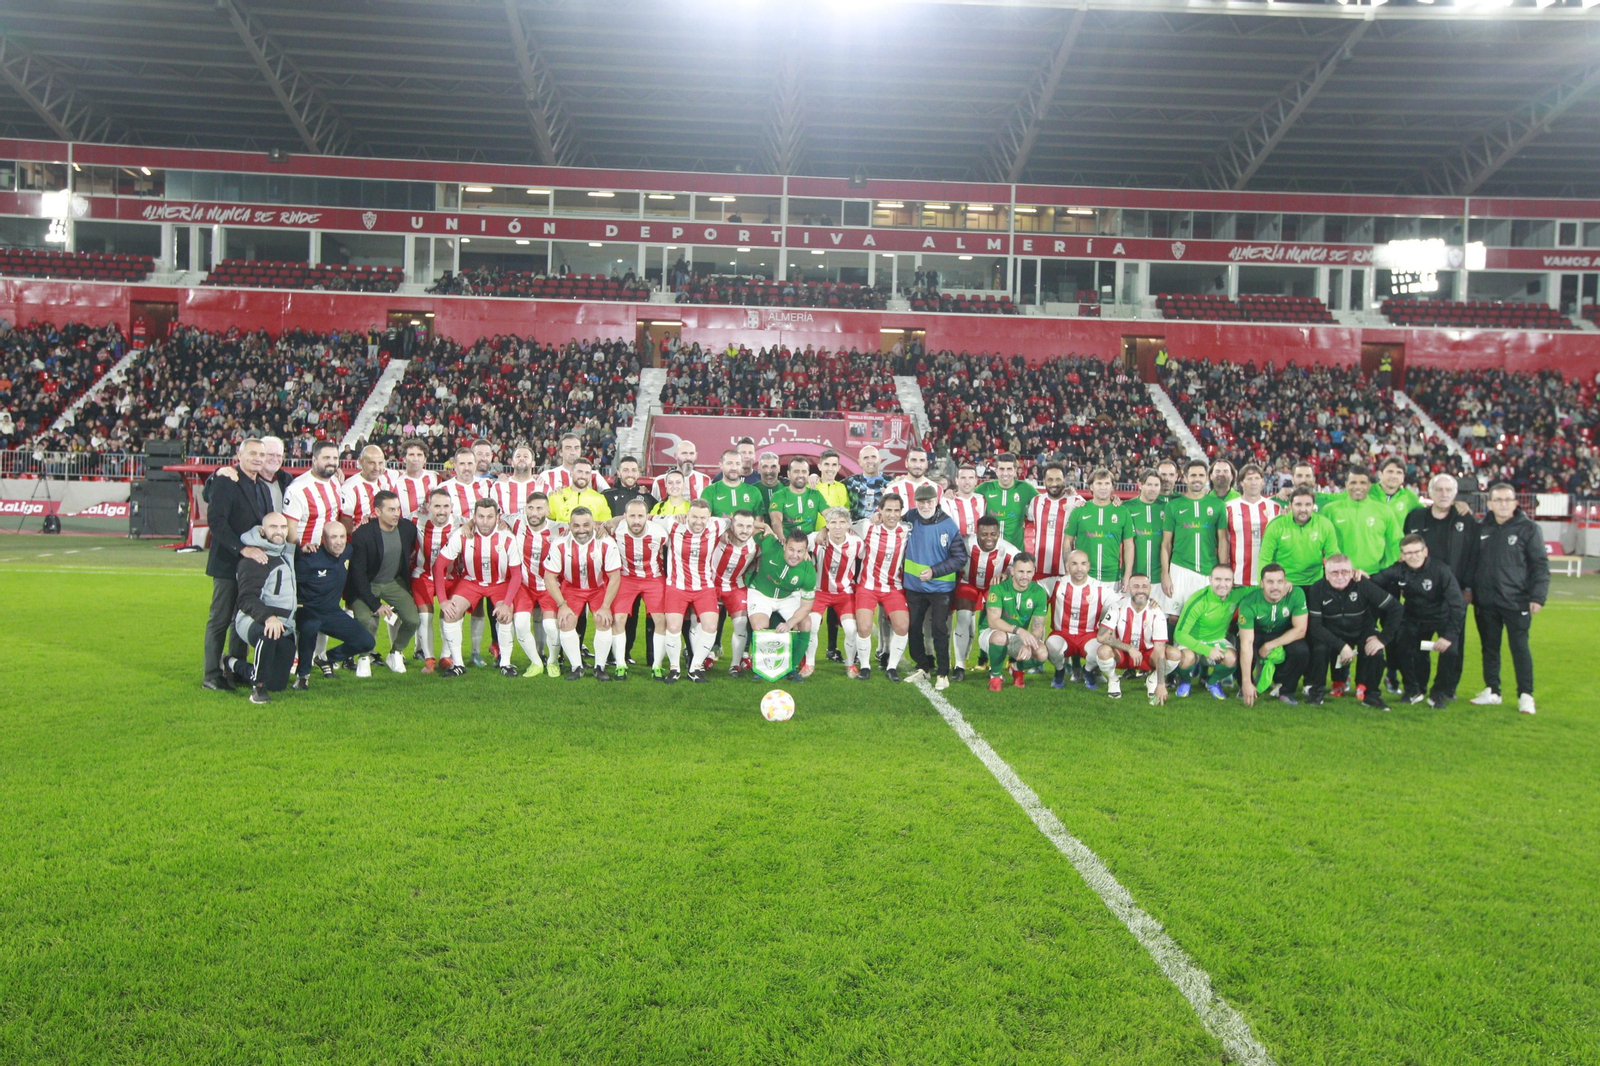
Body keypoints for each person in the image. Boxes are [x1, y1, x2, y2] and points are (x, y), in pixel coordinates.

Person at [1467, 483, 1548, 714]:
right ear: (1490, 504)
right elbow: (1471, 562)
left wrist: (1538, 596)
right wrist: (1471, 590)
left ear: (1515, 503)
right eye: (1498, 500)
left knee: (1520, 648)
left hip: (1516, 601)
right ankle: (1492, 691)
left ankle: (1526, 695)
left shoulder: (1528, 529)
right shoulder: (1481, 528)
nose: (1503, 504)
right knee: (1489, 648)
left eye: (1507, 500)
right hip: (1486, 602)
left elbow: (1540, 565)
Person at [204, 438, 274, 691]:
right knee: (220, 619)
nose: (258, 458)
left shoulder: (263, 487)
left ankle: (236, 669)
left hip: (252, 566)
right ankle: (211, 675)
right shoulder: (226, 481)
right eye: (252, 453)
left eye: (261, 455)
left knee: (242, 618)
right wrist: (242, 549)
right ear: (240, 455)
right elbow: (216, 522)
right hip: (227, 562)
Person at [1372, 534, 1466, 708]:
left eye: (1417, 552)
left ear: (1425, 551)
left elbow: (1458, 604)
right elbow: (1374, 581)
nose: (1413, 556)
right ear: (1402, 555)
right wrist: (1357, 576)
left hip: (1442, 617)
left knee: (1451, 652)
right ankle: (1413, 690)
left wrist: (1449, 636)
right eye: (1408, 553)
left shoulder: (1441, 570)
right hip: (1414, 617)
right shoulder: (1398, 569)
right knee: (1404, 647)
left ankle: (1437, 693)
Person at [433, 498, 524, 678]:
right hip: (471, 582)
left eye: (489, 517)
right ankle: (458, 664)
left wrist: (506, 604)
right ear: (474, 517)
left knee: (505, 615)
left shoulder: (507, 538)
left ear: (497, 517)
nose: (485, 521)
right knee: (450, 613)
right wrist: (443, 601)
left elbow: (516, 575)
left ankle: (506, 663)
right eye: (480, 516)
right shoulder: (462, 534)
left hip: (500, 583)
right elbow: (438, 566)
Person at [1305, 553, 1402, 709]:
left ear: (1352, 573)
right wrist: (1341, 646)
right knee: (1320, 648)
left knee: (1376, 652)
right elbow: (1316, 627)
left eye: (1345, 572)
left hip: (1362, 630)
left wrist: (1383, 639)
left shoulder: (1363, 585)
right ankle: (1316, 693)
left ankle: (1372, 696)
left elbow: (1396, 608)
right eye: (1334, 572)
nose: (1340, 577)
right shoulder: (1317, 589)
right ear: (1326, 574)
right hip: (1332, 632)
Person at [225, 511, 297, 704]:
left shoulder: (286, 552)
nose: (279, 531)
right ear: (262, 531)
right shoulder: (256, 558)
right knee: (269, 633)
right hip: (252, 619)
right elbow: (246, 598)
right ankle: (258, 689)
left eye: (283, 527)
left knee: (277, 684)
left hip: (282, 623)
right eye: (273, 527)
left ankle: (230, 663)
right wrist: (268, 618)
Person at [543, 506, 623, 680]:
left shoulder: (606, 542)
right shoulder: (559, 543)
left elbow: (614, 576)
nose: (581, 530)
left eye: (586, 525)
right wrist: (562, 605)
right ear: (569, 525)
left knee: (603, 620)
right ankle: (576, 667)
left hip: (598, 588)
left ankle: (599, 667)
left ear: (593, 524)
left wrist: (606, 606)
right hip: (572, 588)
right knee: (566, 621)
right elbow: (549, 577)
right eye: (576, 525)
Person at [292, 519, 374, 687]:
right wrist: (300, 550)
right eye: (333, 537)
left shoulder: (347, 551)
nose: (339, 542)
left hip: (332, 612)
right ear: (323, 539)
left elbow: (363, 540)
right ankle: (303, 676)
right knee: (311, 625)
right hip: (307, 610)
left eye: (342, 537)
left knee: (367, 642)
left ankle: (325, 658)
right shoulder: (309, 559)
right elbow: (290, 582)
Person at [901, 483, 967, 689]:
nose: (925, 506)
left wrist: (934, 571)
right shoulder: (909, 517)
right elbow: (890, 522)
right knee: (913, 628)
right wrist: (877, 516)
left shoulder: (949, 525)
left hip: (941, 588)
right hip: (914, 587)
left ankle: (943, 673)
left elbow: (960, 558)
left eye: (929, 501)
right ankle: (922, 667)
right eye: (921, 502)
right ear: (915, 502)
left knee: (939, 628)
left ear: (936, 501)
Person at [346, 490, 421, 674]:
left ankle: (395, 653)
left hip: (392, 582)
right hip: (367, 584)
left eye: (398, 509)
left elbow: (426, 526)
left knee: (413, 620)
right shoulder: (363, 534)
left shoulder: (407, 528)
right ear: (378, 512)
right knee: (363, 619)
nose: (396, 514)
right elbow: (358, 575)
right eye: (391, 510)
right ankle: (364, 657)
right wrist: (376, 605)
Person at [660, 499, 725, 683]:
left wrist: (765, 527)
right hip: (677, 585)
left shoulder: (717, 525)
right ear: (687, 515)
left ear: (709, 517)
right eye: (694, 517)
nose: (698, 521)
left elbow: (738, 522)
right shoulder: (673, 523)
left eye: (703, 518)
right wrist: (610, 523)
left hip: (704, 587)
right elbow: (645, 518)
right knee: (673, 627)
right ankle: (674, 669)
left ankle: (695, 668)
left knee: (711, 626)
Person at [605, 497, 669, 680]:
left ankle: (657, 665)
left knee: (660, 619)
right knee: (619, 618)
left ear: (647, 517)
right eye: (632, 516)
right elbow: (595, 527)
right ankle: (620, 664)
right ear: (624, 516)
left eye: (640, 516)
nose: (636, 521)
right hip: (626, 578)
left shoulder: (660, 533)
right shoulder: (616, 530)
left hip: (653, 578)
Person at [951, 515, 1019, 682]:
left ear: (998, 533)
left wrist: (1007, 572)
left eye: (993, 534)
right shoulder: (965, 543)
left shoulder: (1009, 549)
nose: (989, 538)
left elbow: (1020, 564)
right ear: (977, 533)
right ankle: (959, 666)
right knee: (963, 618)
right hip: (968, 583)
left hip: (992, 587)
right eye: (984, 534)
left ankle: (994, 667)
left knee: (995, 624)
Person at [1089, 572, 1174, 702]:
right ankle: (1113, 680)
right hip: (1122, 654)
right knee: (1103, 651)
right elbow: (1101, 636)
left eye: (1144, 586)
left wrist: (1161, 684)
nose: (1140, 590)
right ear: (1128, 588)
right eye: (1136, 586)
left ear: (1150, 588)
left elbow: (1160, 650)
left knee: (1174, 654)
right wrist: (1129, 648)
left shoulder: (1157, 612)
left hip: (1147, 656)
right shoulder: (1117, 607)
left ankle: (1153, 680)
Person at [746, 529, 820, 676]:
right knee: (760, 626)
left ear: (806, 551)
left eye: (800, 551)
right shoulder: (770, 544)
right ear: (784, 545)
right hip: (760, 593)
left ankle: (791, 668)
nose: (795, 555)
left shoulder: (808, 571)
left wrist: (789, 624)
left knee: (806, 623)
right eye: (791, 549)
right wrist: (763, 525)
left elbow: (806, 606)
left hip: (787, 597)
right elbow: (749, 528)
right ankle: (762, 668)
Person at [853, 492, 911, 680]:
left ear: (901, 512)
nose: (892, 515)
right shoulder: (867, 526)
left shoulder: (907, 530)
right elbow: (843, 526)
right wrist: (823, 531)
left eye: (896, 511)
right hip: (867, 586)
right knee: (864, 627)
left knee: (902, 626)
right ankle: (865, 666)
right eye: (888, 510)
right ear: (880, 510)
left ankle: (891, 667)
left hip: (893, 587)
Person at [1236, 564, 1309, 707]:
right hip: (1256, 633)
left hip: (1280, 633)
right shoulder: (1249, 602)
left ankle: (1286, 690)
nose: (1275, 587)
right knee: (1242, 647)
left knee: (1301, 651)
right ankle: (1244, 686)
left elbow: (1300, 630)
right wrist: (1246, 681)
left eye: (1280, 582)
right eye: (1270, 582)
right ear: (1262, 584)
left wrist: (1270, 645)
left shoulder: (1296, 594)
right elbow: (1247, 643)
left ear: (1285, 582)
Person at [1161, 459, 1225, 622]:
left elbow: (1223, 540)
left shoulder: (1217, 505)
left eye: (1201, 475)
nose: (1197, 479)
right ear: (1185, 478)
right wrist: (1165, 574)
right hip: (1180, 567)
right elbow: (1166, 543)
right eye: (1193, 475)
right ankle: (1176, 640)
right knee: (1174, 617)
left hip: (1208, 568)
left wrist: (1223, 572)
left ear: (1207, 478)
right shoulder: (1173, 506)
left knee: (1205, 616)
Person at [1171, 564, 1246, 700]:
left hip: (1216, 641)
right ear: (1210, 579)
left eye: (1227, 580)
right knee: (1186, 658)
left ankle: (1212, 682)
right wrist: (1207, 650)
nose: (1222, 584)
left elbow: (1261, 589)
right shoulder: (1198, 600)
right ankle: (1185, 680)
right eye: (1218, 579)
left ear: (1233, 582)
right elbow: (1180, 634)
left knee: (1232, 659)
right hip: (1192, 642)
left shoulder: (1237, 594)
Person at [982, 553, 1051, 692]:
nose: (1025, 576)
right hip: (991, 634)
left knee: (1042, 653)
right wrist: (1019, 631)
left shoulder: (1039, 592)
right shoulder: (999, 587)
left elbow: (1038, 628)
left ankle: (1016, 669)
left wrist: (1029, 645)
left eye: (1029, 572)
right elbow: (993, 622)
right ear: (1012, 571)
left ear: (1034, 571)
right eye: (1020, 571)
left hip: (1018, 636)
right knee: (1000, 636)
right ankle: (995, 676)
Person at [807, 507, 864, 676]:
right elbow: (795, 546)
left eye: (842, 522)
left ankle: (850, 664)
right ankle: (809, 664)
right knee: (812, 627)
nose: (837, 526)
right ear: (827, 525)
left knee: (850, 629)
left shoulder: (857, 543)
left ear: (848, 524)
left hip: (844, 593)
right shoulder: (814, 539)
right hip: (819, 591)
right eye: (833, 522)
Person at [508, 492, 559, 677]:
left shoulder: (559, 529)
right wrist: (469, 524)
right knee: (521, 624)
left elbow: (588, 525)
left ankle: (553, 661)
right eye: (530, 508)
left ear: (548, 510)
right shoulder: (516, 522)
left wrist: (603, 527)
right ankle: (536, 662)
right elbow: (491, 516)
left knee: (551, 626)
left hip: (549, 587)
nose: (534, 513)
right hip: (524, 586)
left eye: (539, 508)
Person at [1047, 550, 1112, 690]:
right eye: (1074, 564)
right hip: (1062, 633)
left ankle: (1087, 671)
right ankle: (1059, 671)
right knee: (1051, 645)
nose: (1079, 568)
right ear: (1067, 566)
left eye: (1083, 564)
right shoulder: (1055, 583)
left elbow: (1122, 602)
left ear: (1088, 566)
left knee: (1101, 650)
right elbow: (1030, 585)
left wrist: (1150, 603)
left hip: (1088, 635)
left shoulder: (1099, 587)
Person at [410, 488, 457, 674]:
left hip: (450, 577)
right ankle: (429, 659)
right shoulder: (415, 520)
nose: (442, 511)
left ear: (452, 507)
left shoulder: (461, 523)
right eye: (437, 506)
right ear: (428, 506)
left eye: (446, 506)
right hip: (423, 575)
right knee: (425, 617)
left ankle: (446, 656)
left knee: (450, 614)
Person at [710, 510, 762, 675]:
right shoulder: (717, 537)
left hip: (735, 587)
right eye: (740, 525)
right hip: (711, 585)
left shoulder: (756, 547)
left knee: (741, 624)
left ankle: (735, 665)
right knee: (704, 623)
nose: (744, 530)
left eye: (748, 526)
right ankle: (701, 659)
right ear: (731, 526)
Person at [1321, 466, 1400, 575]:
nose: (1358, 487)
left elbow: (1396, 542)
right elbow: (1321, 544)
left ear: (1369, 485)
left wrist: (1389, 570)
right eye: (1353, 482)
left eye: (1363, 483)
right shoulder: (1329, 510)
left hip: (1374, 575)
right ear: (1346, 485)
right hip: (1340, 575)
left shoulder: (1384, 511)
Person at [1402, 474, 1478, 585]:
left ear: (1455, 493)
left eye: (1449, 490)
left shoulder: (1466, 520)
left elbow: (1473, 556)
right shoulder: (1415, 517)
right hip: (1419, 585)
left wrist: (1468, 587)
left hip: (1454, 586)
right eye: (1439, 489)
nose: (1444, 494)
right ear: (1430, 492)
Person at [1259, 488, 1340, 591]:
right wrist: (1265, 585)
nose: (1303, 509)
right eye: (1298, 505)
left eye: (1308, 505)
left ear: (1313, 506)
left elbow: (1333, 555)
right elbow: (1265, 558)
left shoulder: (1325, 524)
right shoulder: (1276, 526)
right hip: (1283, 584)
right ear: (1290, 505)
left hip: (1315, 583)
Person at [1064, 466, 1127, 590]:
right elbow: (1067, 541)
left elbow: (1129, 545)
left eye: (1107, 483)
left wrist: (1127, 574)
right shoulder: (1079, 510)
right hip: (1083, 576)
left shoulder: (1122, 511)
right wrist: (1068, 568)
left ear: (1112, 487)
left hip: (1112, 578)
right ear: (1091, 486)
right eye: (1099, 483)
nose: (1103, 487)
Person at [1223, 464, 1283, 588]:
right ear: (1241, 482)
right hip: (1237, 579)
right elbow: (1223, 541)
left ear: (1263, 482)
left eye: (1257, 478)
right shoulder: (1228, 508)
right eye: (1249, 479)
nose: (1254, 482)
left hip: (1269, 581)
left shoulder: (1275, 507)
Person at [1024, 462, 1079, 593]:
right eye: (1050, 479)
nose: (1054, 483)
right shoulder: (1036, 501)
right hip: (1039, 568)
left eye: (1058, 479)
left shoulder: (1076, 501)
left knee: (1062, 606)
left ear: (1064, 479)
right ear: (1044, 481)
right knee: (1038, 605)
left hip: (1065, 570)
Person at [975, 452, 1036, 547]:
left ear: (1015, 471)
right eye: (1001, 469)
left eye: (1009, 469)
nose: (1005, 473)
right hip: (990, 550)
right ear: (996, 471)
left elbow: (1045, 501)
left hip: (1016, 550)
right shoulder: (985, 487)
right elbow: (966, 497)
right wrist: (952, 492)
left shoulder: (1025, 488)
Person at [1121, 468, 1165, 591]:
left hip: (1160, 580)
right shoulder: (1126, 507)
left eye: (1156, 485)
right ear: (1140, 485)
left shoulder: (1167, 508)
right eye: (1149, 484)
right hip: (1133, 578)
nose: (1153, 489)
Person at [767, 456, 829, 540]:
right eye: (796, 471)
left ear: (808, 473)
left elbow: (831, 516)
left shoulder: (815, 494)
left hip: (810, 541)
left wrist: (824, 529)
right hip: (787, 540)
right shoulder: (778, 495)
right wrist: (782, 540)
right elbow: (776, 522)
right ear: (788, 474)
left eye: (804, 471)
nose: (800, 475)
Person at [538, 432, 611, 494]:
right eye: (568, 448)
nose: (573, 452)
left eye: (576, 448)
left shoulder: (594, 476)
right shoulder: (547, 476)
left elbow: (611, 498)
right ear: (560, 452)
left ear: (580, 451)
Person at [843, 444, 891, 536]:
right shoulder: (850, 482)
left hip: (882, 535)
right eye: (866, 458)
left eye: (873, 457)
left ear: (880, 459)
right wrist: (816, 477)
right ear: (859, 462)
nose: (870, 461)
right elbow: (830, 484)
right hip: (856, 534)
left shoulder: (890, 483)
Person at [703, 448, 764, 517]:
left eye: (738, 464)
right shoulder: (709, 491)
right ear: (721, 465)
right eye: (729, 463)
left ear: (741, 465)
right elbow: (704, 519)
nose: (734, 468)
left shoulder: (754, 491)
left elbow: (759, 522)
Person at [339, 445, 388, 528]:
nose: (376, 468)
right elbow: (345, 521)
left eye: (380, 463)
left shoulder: (385, 480)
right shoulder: (350, 487)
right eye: (371, 463)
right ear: (360, 461)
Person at [389, 438, 438, 519]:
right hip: (405, 525)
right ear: (404, 459)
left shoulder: (436, 478)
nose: (416, 459)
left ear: (425, 459)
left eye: (419, 455)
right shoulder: (396, 483)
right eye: (411, 455)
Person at [493, 443, 541, 518]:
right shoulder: (498, 486)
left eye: (526, 456)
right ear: (512, 463)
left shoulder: (542, 485)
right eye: (518, 456)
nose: (521, 458)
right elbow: (491, 514)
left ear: (533, 463)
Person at [940, 463, 986, 539]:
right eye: (963, 478)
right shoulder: (947, 502)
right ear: (956, 480)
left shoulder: (982, 499)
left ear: (976, 480)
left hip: (978, 545)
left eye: (971, 478)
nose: (967, 482)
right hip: (956, 545)